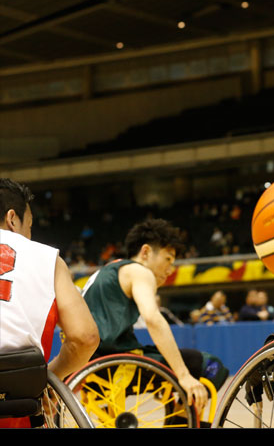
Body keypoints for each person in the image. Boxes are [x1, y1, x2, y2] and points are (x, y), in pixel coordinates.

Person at [81, 218, 228, 414]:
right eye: (168, 259)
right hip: (118, 366)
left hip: (88, 369)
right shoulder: (139, 271)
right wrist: (182, 374)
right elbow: (152, 318)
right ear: (146, 252)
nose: (170, 269)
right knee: (212, 366)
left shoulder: (104, 273)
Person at [0, 178, 99, 428]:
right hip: (17, 391)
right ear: (13, 219)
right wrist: (48, 376)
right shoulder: (48, 259)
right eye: (30, 226)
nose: (30, 235)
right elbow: (85, 337)